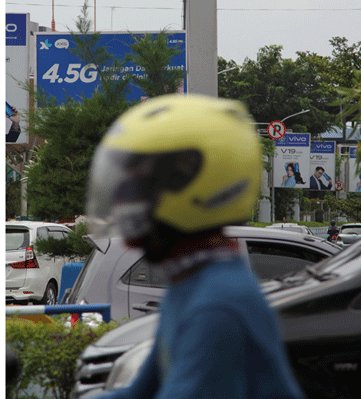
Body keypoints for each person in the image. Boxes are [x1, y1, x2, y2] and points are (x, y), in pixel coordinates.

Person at [86, 94, 304, 399]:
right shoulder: (192, 284)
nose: (122, 200)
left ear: (192, 185)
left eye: (136, 186)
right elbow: (142, 393)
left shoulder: (216, 306)